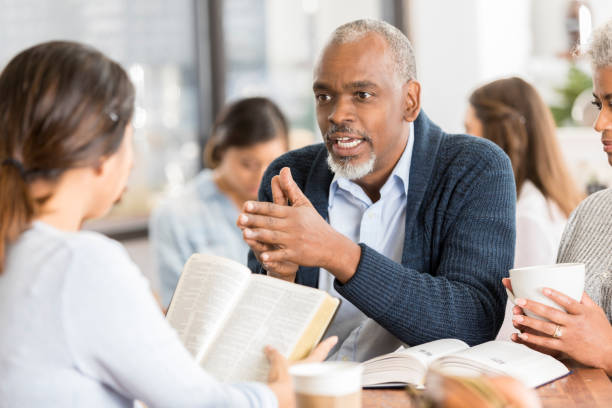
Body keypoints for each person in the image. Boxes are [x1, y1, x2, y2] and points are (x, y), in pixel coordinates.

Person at [0, 41, 334, 407]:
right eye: (131, 136)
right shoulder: (80, 263)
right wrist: (281, 395)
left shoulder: (23, 250)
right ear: (100, 155)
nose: (134, 158)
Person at [237, 19, 516, 362]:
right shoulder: (288, 177)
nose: (337, 114)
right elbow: (258, 344)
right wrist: (282, 279)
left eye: (362, 95)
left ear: (410, 101)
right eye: (324, 96)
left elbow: (474, 321)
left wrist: (337, 253)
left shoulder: (475, 168)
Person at [505, 19, 612, 375]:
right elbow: (570, 360)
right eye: (600, 105)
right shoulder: (591, 215)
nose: (599, 124)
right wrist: (547, 333)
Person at [465, 78, 584, 340]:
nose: (464, 142)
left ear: (496, 133)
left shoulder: (526, 218)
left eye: (469, 129)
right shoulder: (552, 202)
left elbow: (517, 324)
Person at [150, 97, 288, 307]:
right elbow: (175, 306)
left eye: (273, 163)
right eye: (248, 164)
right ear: (221, 150)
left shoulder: (290, 206)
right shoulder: (175, 214)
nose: (262, 176)